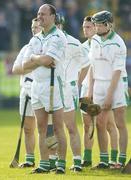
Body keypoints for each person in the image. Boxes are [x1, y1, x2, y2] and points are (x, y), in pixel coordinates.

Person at [22, 4, 67, 174]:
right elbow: (25, 65)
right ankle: (44, 163)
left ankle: (61, 164)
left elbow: (49, 60)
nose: (39, 17)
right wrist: (37, 58)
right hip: (37, 86)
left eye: (43, 14)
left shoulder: (58, 36)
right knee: (41, 128)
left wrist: (37, 58)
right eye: (38, 14)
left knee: (57, 128)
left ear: (53, 16)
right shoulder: (35, 39)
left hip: (54, 85)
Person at [49, 13, 90, 172]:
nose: (55, 27)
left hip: (67, 89)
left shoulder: (73, 42)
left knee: (70, 126)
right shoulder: (47, 41)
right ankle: (54, 161)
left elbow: (86, 64)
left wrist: (77, 83)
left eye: (57, 24)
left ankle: (77, 162)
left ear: (61, 24)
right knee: (50, 127)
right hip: (50, 89)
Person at [87, 10, 128, 169]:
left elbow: (117, 71)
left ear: (108, 24)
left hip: (115, 85)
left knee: (119, 123)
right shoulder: (94, 40)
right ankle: (104, 161)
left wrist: (109, 96)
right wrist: (90, 90)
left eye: (98, 24)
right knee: (100, 124)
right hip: (98, 85)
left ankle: (120, 160)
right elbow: (92, 66)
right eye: (95, 24)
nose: (96, 27)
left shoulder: (119, 43)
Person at [80, 16, 118, 168]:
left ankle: (113, 159)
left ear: (95, 27)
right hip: (85, 89)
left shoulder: (102, 44)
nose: (86, 29)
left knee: (108, 125)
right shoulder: (81, 47)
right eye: (84, 27)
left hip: (101, 88)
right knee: (86, 124)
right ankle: (87, 158)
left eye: (89, 27)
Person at [12, 18, 41, 168]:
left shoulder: (46, 47)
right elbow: (15, 69)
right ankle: (30, 159)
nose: (34, 29)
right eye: (32, 27)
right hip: (26, 90)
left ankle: (53, 159)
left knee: (46, 128)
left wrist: (30, 65)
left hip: (41, 92)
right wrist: (34, 65)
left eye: (37, 27)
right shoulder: (26, 48)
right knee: (28, 128)